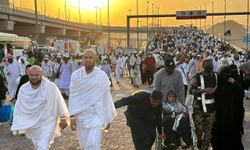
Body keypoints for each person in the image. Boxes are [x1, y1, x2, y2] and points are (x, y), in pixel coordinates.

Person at [11, 65, 70, 150]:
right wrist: (17, 122)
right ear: (28, 74)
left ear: (42, 74)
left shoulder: (51, 87)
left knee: (42, 146)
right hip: (33, 123)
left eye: (36, 75)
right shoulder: (24, 89)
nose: (34, 77)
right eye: (31, 75)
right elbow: (19, 107)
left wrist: (63, 117)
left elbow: (59, 102)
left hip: (48, 121)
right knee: (38, 145)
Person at [69, 49, 117, 150]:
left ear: (95, 59)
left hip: (96, 114)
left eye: (91, 57)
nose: (88, 60)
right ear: (82, 59)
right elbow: (73, 96)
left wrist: (108, 118)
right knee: (84, 146)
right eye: (86, 57)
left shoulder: (102, 76)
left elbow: (106, 97)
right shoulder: (76, 75)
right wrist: (72, 116)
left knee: (93, 144)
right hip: (80, 115)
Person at [212, 65, 245, 150]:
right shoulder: (222, 87)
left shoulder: (220, 87)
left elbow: (241, 93)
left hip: (229, 117)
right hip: (228, 117)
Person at [189, 59, 217, 150]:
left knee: (208, 134)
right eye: (208, 67)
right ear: (203, 67)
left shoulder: (216, 76)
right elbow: (191, 90)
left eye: (211, 67)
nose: (210, 69)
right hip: (199, 108)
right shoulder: (197, 77)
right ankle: (199, 141)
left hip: (211, 109)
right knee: (199, 131)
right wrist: (203, 90)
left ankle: (204, 148)